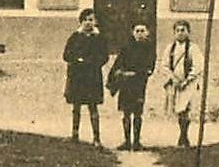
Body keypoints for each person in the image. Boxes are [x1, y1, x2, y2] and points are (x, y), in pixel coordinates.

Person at [61, 8, 108, 145]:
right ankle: (75, 135)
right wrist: (77, 60)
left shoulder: (99, 38)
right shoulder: (75, 37)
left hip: (92, 76)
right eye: (85, 20)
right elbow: (66, 55)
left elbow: (104, 56)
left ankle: (96, 138)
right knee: (76, 106)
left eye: (91, 20)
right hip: (77, 76)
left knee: (93, 106)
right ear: (81, 22)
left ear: (95, 22)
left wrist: (92, 62)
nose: (88, 23)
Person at [107, 21, 156, 150]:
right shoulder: (126, 48)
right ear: (132, 33)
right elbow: (118, 64)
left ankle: (137, 142)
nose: (140, 33)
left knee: (138, 113)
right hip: (126, 85)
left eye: (142, 31)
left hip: (139, 85)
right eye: (137, 31)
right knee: (126, 113)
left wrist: (135, 73)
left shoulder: (149, 49)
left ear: (147, 33)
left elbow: (149, 68)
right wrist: (119, 75)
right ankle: (127, 141)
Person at [162, 19, 204, 147]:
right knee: (178, 109)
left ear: (188, 32)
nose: (180, 33)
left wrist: (187, 80)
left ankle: (184, 136)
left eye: (183, 30)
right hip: (175, 83)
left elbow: (198, 66)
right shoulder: (170, 48)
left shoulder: (193, 48)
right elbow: (164, 65)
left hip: (188, 84)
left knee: (185, 109)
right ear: (174, 32)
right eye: (177, 30)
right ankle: (182, 135)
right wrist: (173, 78)